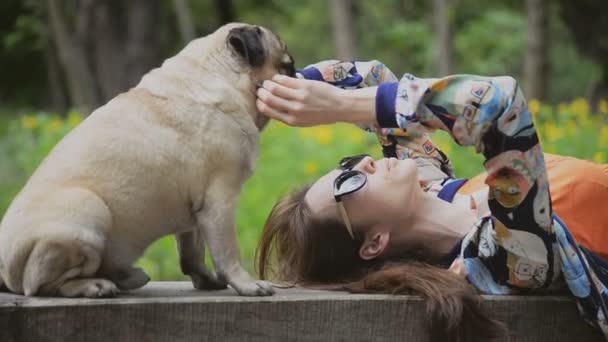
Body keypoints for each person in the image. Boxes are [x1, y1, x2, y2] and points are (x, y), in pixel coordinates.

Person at [253, 60, 608, 341]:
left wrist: (274, 88)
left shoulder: (435, 186)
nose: (363, 162)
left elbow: (368, 76)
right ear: (375, 242)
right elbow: (497, 104)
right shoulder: (504, 257)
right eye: (349, 181)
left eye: (346, 165)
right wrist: (343, 105)